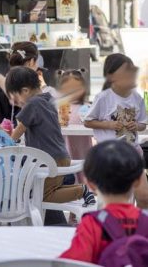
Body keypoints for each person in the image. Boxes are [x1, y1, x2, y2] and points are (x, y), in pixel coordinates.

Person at [7, 67, 94, 207]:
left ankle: (81, 191)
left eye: (16, 97)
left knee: (42, 195)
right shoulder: (49, 99)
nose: (16, 102)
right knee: (50, 190)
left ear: (25, 91)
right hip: (61, 156)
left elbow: (21, 128)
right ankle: (82, 190)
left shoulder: (33, 103)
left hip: (48, 160)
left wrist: (8, 142)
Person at [60, 140, 148, 263]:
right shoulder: (145, 221)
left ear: (90, 185)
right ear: (137, 181)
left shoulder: (92, 224)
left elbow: (73, 262)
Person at [83, 53, 148, 208]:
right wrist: (109, 125)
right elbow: (88, 121)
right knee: (112, 201)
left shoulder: (137, 97)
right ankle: (111, 226)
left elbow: (143, 124)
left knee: (144, 197)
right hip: (110, 157)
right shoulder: (103, 97)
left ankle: (138, 225)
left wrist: (136, 126)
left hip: (133, 152)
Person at [57, 69, 92, 183]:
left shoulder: (88, 108)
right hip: (65, 151)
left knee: (85, 177)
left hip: (83, 151)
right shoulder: (58, 108)